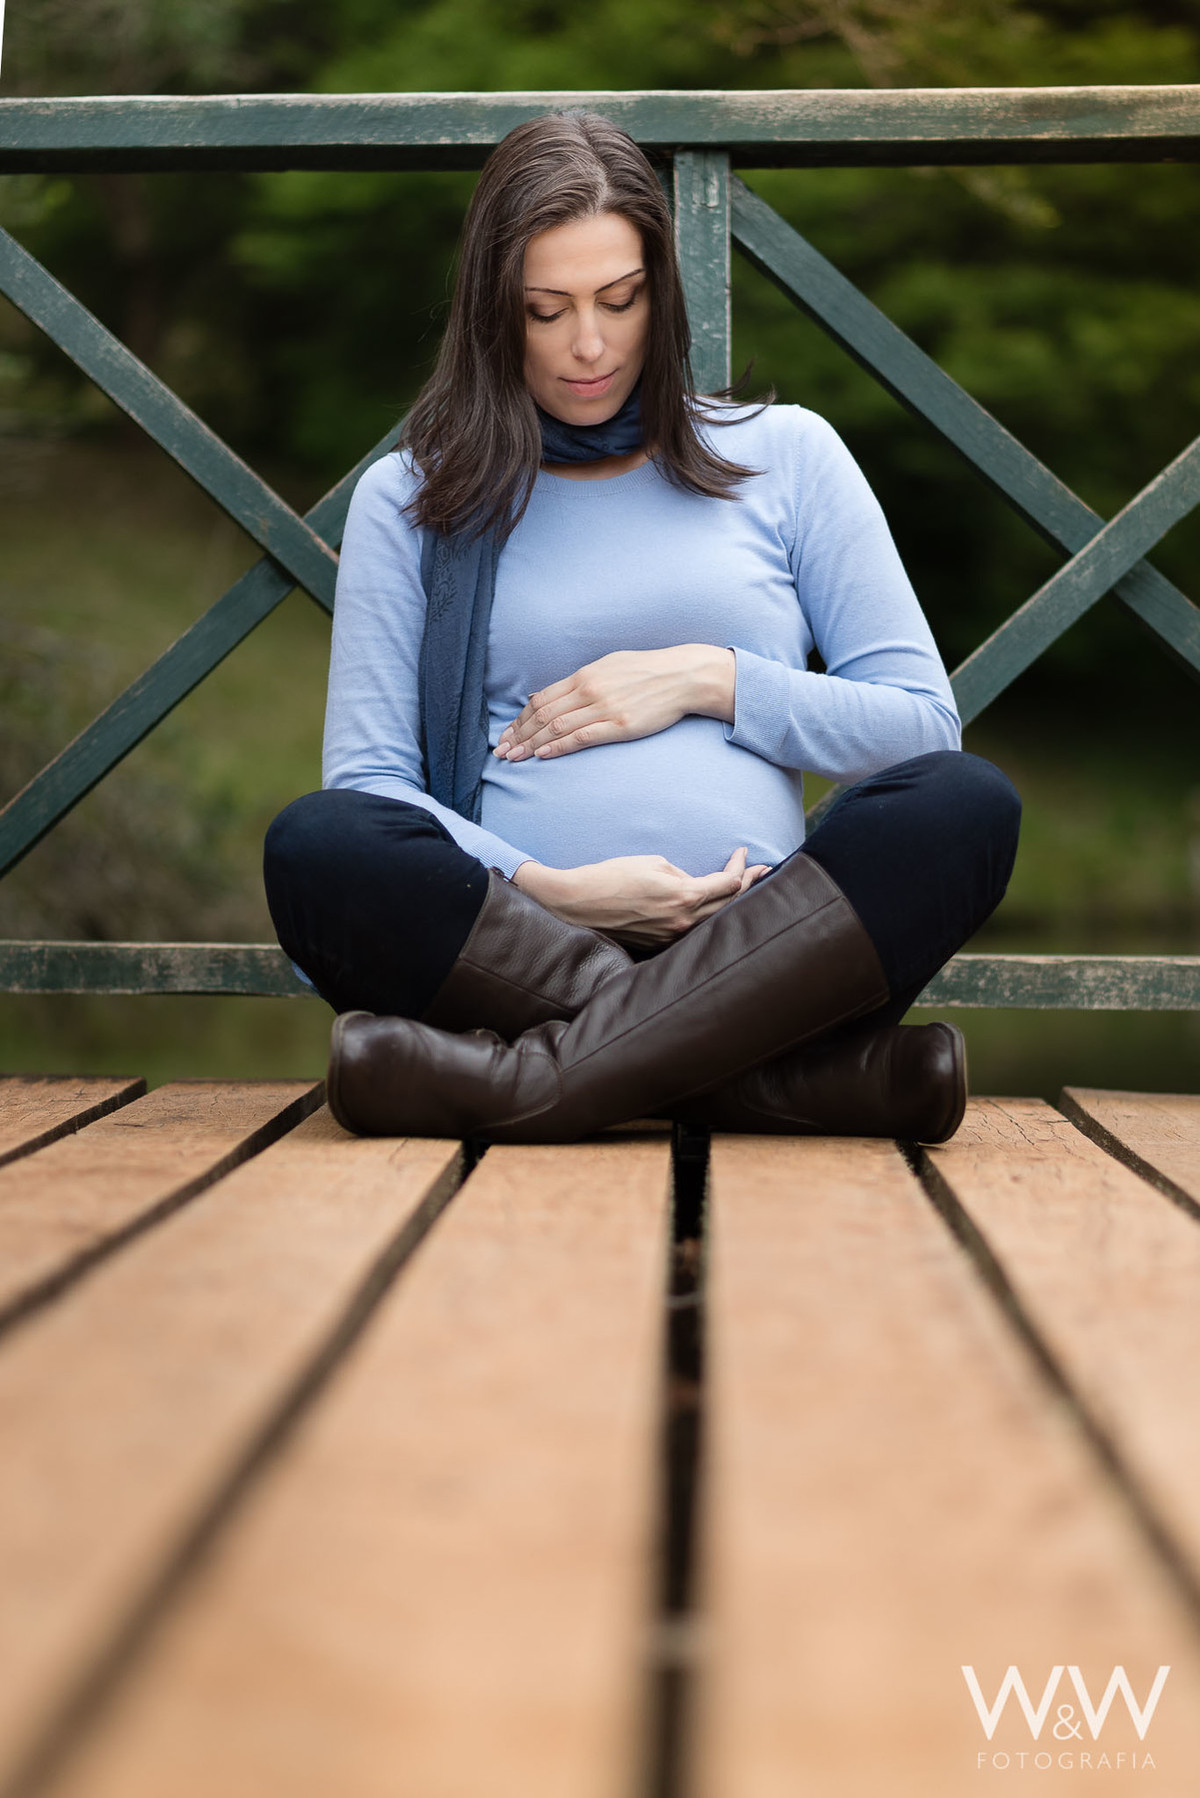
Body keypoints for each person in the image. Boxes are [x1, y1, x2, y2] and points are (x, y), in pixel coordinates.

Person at [263, 110, 1021, 1145]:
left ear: (661, 294)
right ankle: (786, 1079)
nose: (589, 345)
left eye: (619, 301)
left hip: (775, 947)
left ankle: (525, 1084)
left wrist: (710, 678)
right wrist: (557, 891)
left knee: (964, 804)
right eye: (545, 311)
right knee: (319, 843)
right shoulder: (412, 499)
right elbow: (373, 784)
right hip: (517, 953)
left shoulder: (789, 456)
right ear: (491, 316)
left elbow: (921, 730)